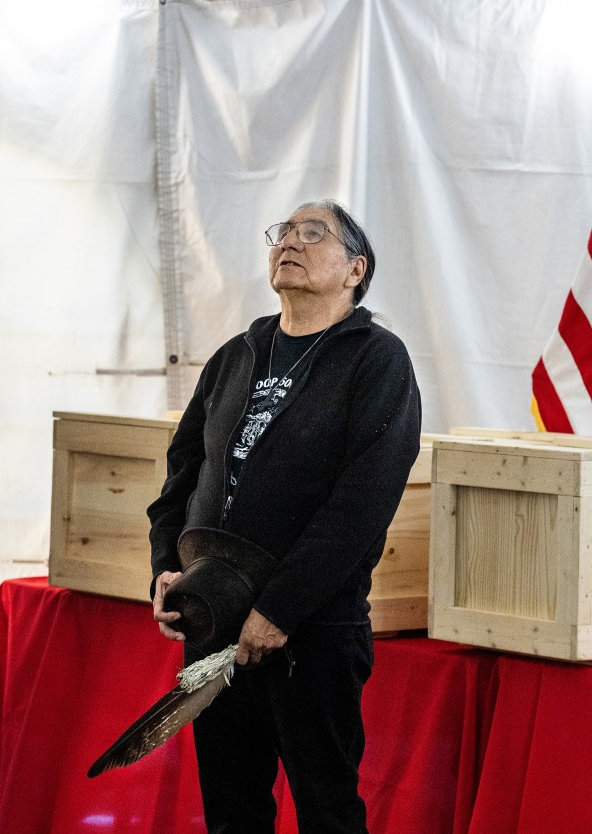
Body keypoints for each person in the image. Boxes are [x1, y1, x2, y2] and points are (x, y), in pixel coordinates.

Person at [147, 199, 421, 833]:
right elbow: (181, 476)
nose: (290, 242)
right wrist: (166, 569)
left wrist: (281, 609)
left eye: (313, 234)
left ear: (356, 269)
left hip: (313, 630)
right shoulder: (235, 356)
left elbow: (364, 501)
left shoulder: (376, 360)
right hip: (213, 619)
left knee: (326, 809)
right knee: (231, 807)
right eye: (284, 233)